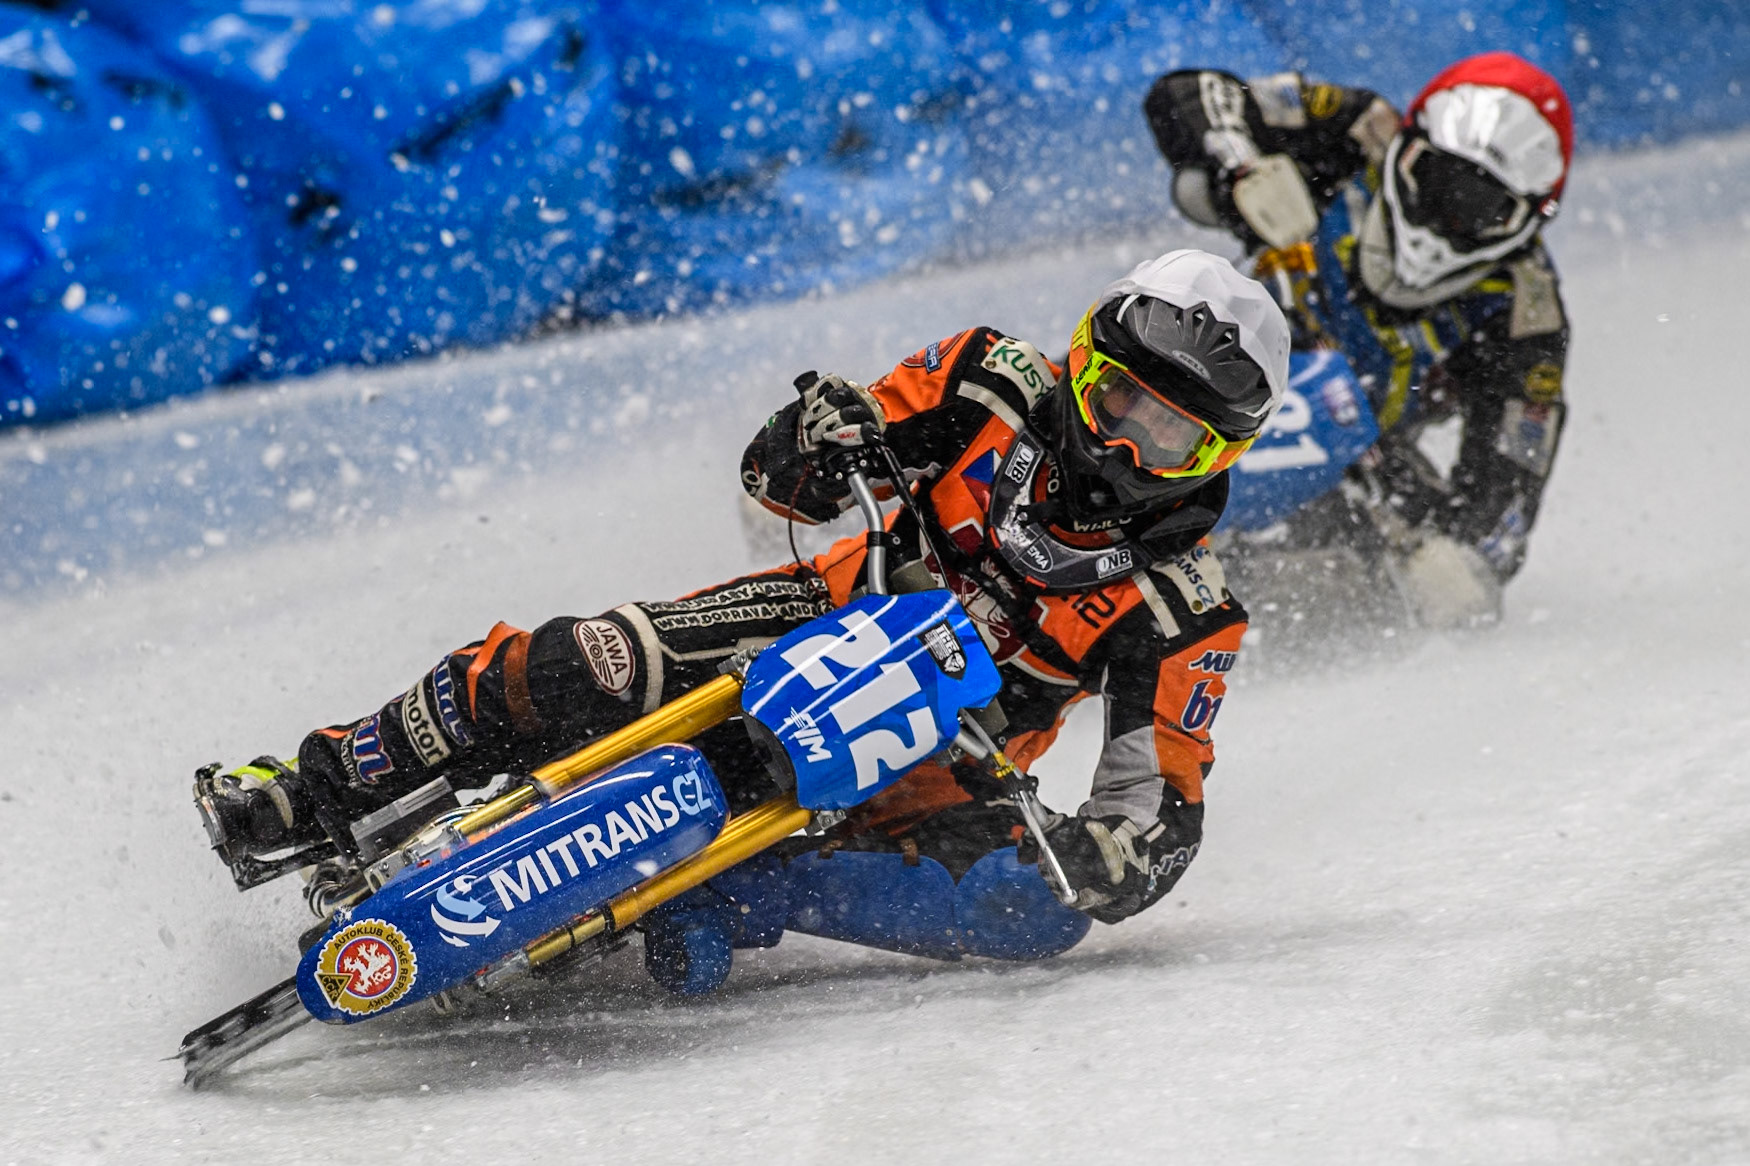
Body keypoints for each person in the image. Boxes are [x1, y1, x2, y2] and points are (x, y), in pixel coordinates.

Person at [194, 249, 1290, 981]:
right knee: (586, 661)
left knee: (1036, 914)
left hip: (943, 754)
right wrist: (817, 435)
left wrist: (1114, 857)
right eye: (1119, 401)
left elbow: (1159, 798)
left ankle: (735, 887)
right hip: (813, 617)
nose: (1125, 445)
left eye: (1170, 437)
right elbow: (780, 481)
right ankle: (321, 783)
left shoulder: (1184, 610)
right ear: (1082, 363)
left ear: (1218, 456)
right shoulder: (983, 379)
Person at [1143, 52, 1572, 630]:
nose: (1444, 218)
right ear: (1408, 143)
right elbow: (1189, 93)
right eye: (1438, 180)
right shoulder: (1355, 126)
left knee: (1451, 594)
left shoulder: (1525, 312)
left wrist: (1455, 554)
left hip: (1362, 458)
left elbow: (1507, 495)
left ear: (1529, 222)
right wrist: (1243, 169)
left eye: (1483, 208)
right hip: (1209, 359)